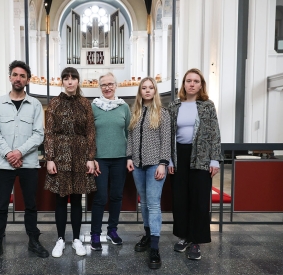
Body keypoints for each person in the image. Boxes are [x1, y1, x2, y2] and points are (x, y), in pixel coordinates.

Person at [0, 60, 49, 265]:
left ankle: (33, 241)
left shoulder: (35, 104)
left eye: (22, 76)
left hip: (29, 164)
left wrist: (19, 152)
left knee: (30, 205)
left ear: (28, 80)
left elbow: (39, 134)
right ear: (10, 77)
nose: (18, 78)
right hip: (5, 164)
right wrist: (9, 154)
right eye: (15, 74)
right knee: (2, 206)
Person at [167, 68, 223, 260]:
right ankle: (184, 236)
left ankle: (196, 241)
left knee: (199, 200)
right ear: (183, 84)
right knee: (180, 198)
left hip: (201, 156)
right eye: (188, 81)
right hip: (179, 156)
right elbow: (169, 135)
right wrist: (169, 159)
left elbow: (214, 133)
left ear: (201, 85)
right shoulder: (174, 106)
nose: (191, 84)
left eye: (196, 81)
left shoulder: (207, 106)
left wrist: (215, 159)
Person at [44, 67, 96, 258]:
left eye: (73, 78)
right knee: (60, 199)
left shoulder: (85, 103)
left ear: (78, 81)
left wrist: (90, 157)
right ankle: (59, 239)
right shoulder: (55, 103)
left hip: (81, 155)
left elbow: (90, 131)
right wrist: (50, 158)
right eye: (66, 78)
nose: (70, 81)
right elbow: (49, 132)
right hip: (60, 154)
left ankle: (76, 239)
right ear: (62, 82)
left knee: (76, 199)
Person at [126, 77, 171, 269]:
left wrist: (163, 163)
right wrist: (129, 157)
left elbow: (166, 140)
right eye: (143, 88)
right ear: (140, 91)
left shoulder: (162, 113)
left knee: (153, 204)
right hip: (137, 164)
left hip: (155, 165)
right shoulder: (134, 112)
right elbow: (130, 137)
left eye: (150, 88)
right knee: (143, 203)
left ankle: (154, 247)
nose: (147, 91)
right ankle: (147, 235)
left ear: (155, 91)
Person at [90, 72, 130, 251]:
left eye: (110, 84)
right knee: (100, 197)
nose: (107, 87)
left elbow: (129, 134)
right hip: (100, 160)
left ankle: (112, 230)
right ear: (100, 87)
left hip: (120, 159)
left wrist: (129, 157)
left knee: (116, 196)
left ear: (116, 86)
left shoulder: (124, 107)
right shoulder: (94, 107)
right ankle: (95, 234)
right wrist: (90, 158)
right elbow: (89, 135)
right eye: (104, 85)